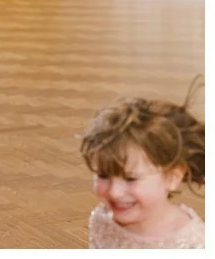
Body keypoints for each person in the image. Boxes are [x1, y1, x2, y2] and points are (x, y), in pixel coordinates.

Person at [80, 78, 205, 248]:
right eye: (103, 175)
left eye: (130, 179)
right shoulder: (102, 220)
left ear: (172, 177)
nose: (114, 192)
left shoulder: (195, 243)